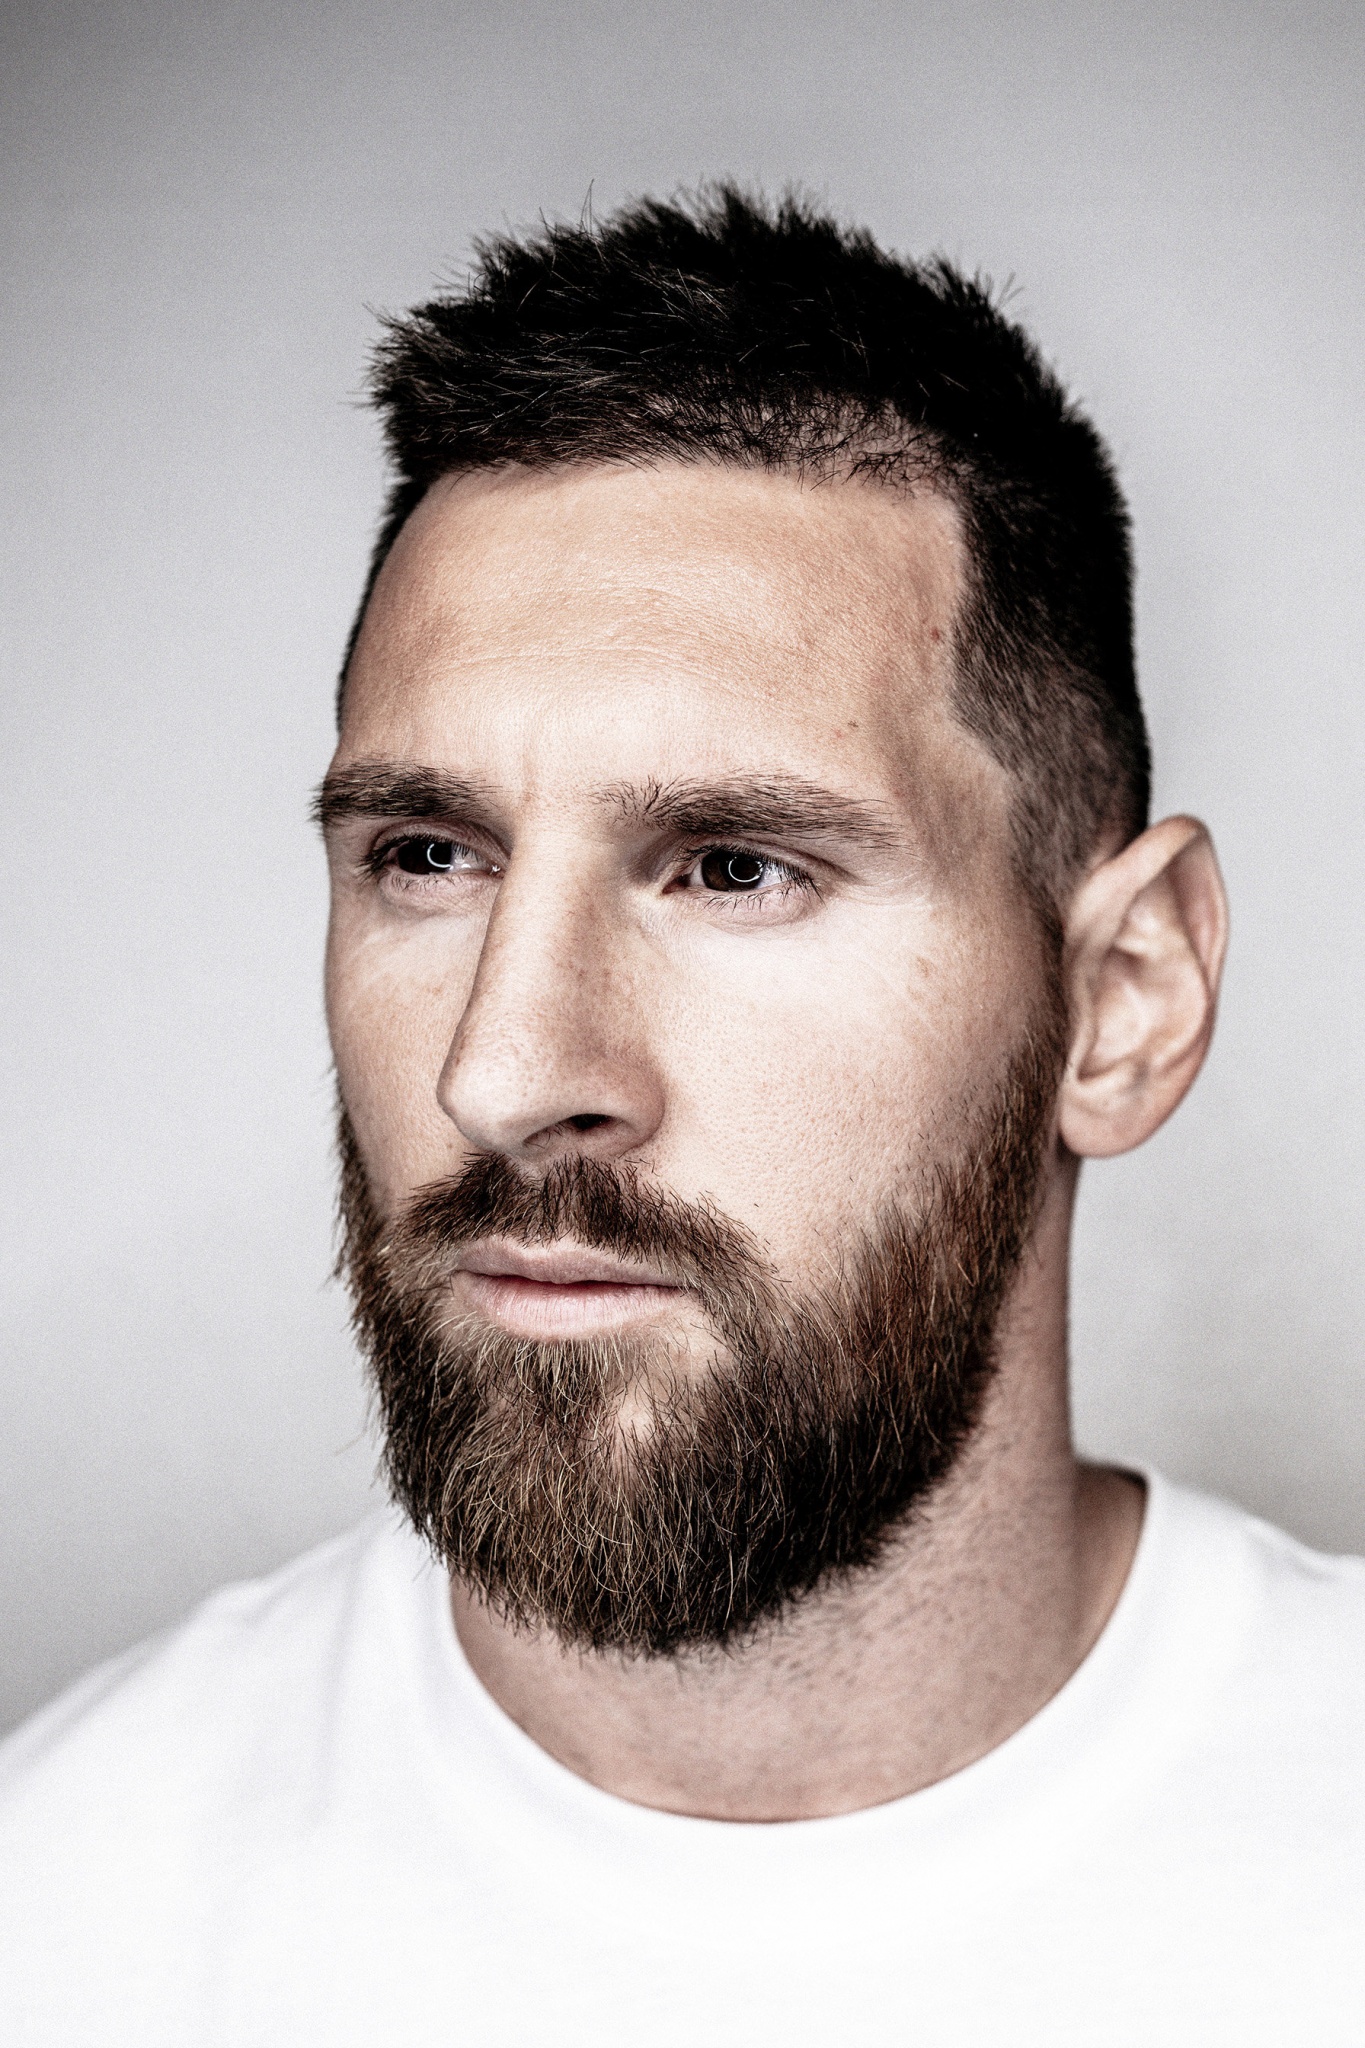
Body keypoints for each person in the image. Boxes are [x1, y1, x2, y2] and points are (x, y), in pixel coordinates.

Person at [1, 186, 1360, 2047]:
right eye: (428, 853)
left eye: (734, 867)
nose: (502, 1072)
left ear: (1122, 1000)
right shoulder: (64, 1919)